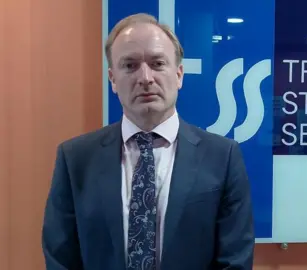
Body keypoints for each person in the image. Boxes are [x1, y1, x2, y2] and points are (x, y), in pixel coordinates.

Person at [41, 13, 254, 270]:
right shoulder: (75, 159)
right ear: (112, 79)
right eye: (129, 65)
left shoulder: (223, 157)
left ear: (179, 74)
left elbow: (235, 261)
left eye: (157, 63)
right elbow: (61, 259)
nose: (145, 77)